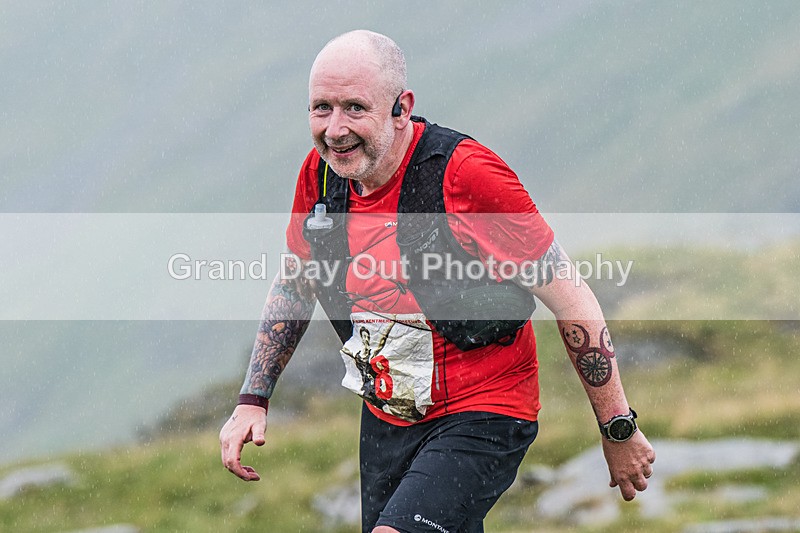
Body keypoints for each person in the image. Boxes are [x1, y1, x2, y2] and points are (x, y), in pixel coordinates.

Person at [219, 30, 655, 532]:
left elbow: (570, 296)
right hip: (388, 415)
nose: (335, 130)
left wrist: (617, 427)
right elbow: (297, 283)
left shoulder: (466, 175)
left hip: (485, 410)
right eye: (322, 108)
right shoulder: (320, 177)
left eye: (355, 108)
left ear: (401, 108)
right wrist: (252, 399)